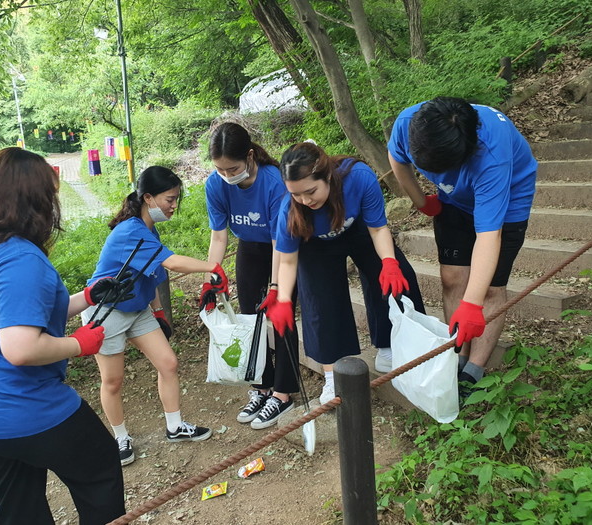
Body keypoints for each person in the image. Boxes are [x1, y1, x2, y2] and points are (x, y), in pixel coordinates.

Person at [0, 147, 126, 524]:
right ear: (35, 199)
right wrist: (79, 344)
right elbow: (21, 347)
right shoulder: (20, 258)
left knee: (20, 503)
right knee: (99, 466)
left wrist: (87, 297)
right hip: (18, 404)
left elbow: (17, 317)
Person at [387, 96, 537, 397]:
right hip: (452, 199)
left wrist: (472, 305)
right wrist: (421, 201)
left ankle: (474, 369)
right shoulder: (410, 123)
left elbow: (488, 236)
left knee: (489, 289)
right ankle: (457, 355)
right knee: (453, 277)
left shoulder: (491, 155)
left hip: (508, 203)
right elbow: (397, 161)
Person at [82, 165, 229, 466]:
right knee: (113, 380)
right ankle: (120, 438)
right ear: (148, 198)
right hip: (106, 311)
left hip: (137, 309)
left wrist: (159, 311)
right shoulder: (130, 231)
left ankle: (175, 426)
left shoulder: (149, 228)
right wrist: (212, 267)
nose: (174, 206)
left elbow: (154, 274)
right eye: (169, 199)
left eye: (176, 200)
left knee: (168, 363)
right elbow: (172, 263)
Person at [265, 142, 425, 404]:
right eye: (296, 194)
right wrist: (283, 299)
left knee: (397, 277)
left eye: (310, 191)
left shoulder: (359, 178)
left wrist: (389, 263)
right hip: (315, 245)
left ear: (327, 176)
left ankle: (389, 347)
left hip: (359, 228)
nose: (305, 200)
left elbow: (378, 229)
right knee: (321, 301)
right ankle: (333, 376)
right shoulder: (290, 211)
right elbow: (288, 262)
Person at [203, 122, 300, 429]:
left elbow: (278, 240)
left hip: (282, 249)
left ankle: (283, 393)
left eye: (232, 169)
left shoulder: (273, 182)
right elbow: (219, 237)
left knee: (281, 315)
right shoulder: (215, 185)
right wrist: (210, 278)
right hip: (249, 247)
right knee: (248, 317)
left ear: (249, 155)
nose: (227, 176)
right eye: (220, 169)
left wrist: (275, 286)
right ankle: (262, 386)